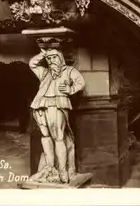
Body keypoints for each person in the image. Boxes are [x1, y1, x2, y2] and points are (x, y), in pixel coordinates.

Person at [29, 46, 85, 183]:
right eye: (49, 58)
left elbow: (81, 83)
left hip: (57, 105)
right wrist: (42, 54)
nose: (51, 60)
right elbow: (32, 64)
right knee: (45, 136)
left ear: (61, 58)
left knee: (59, 137)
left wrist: (70, 89)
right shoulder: (44, 72)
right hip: (41, 106)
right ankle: (49, 167)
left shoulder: (69, 71)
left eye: (54, 57)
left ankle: (63, 171)